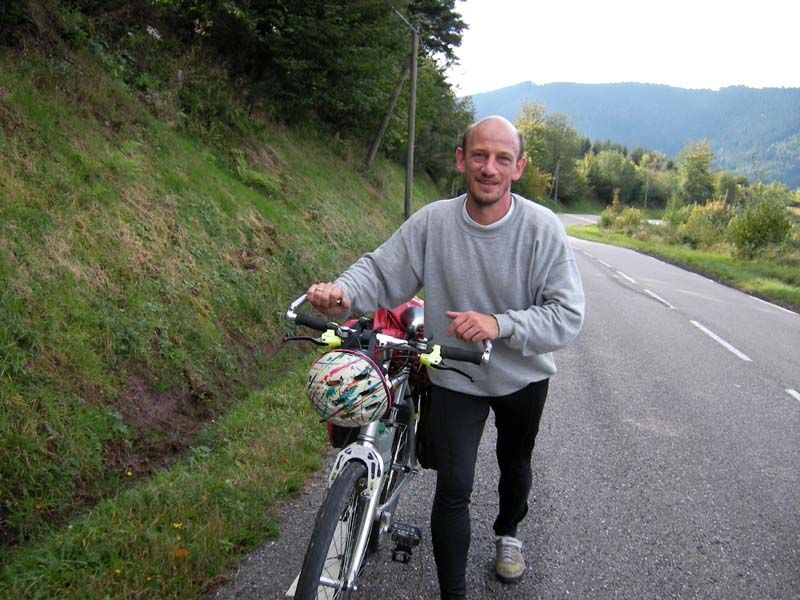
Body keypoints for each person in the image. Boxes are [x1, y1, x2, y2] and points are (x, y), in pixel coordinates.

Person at [306, 115, 584, 598]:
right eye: (479, 155)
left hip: (522, 377)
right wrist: (343, 294)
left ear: (518, 167)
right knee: (454, 487)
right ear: (461, 160)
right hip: (454, 370)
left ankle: (508, 531)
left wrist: (501, 323)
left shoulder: (542, 229)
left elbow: (567, 315)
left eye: (502, 158)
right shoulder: (434, 222)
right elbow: (381, 270)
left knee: (515, 463)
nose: (489, 168)